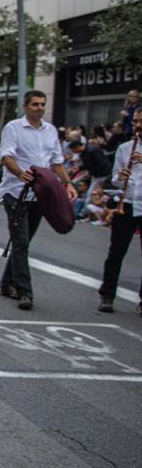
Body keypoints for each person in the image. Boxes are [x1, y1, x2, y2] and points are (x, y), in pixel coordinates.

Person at [0, 90, 77, 310]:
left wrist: (68, 183)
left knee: (23, 242)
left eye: (42, 104)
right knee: (21, 241)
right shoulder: (13, 127)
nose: (39, 108)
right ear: (25, 106)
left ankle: (6, 284)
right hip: (16, 192)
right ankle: (25, 292)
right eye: (35, 104)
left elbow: (58, 162)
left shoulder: (50, 131)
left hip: (41, 195)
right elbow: (6, 156)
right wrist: (19, 172)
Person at [98, 109, 142, 314]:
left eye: (141, 122)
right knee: (116, 252)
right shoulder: (124, 147)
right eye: (135, 121)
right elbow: (114, 177)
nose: (137, 125)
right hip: (127, 203)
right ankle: (107, 295)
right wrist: (121, 176)